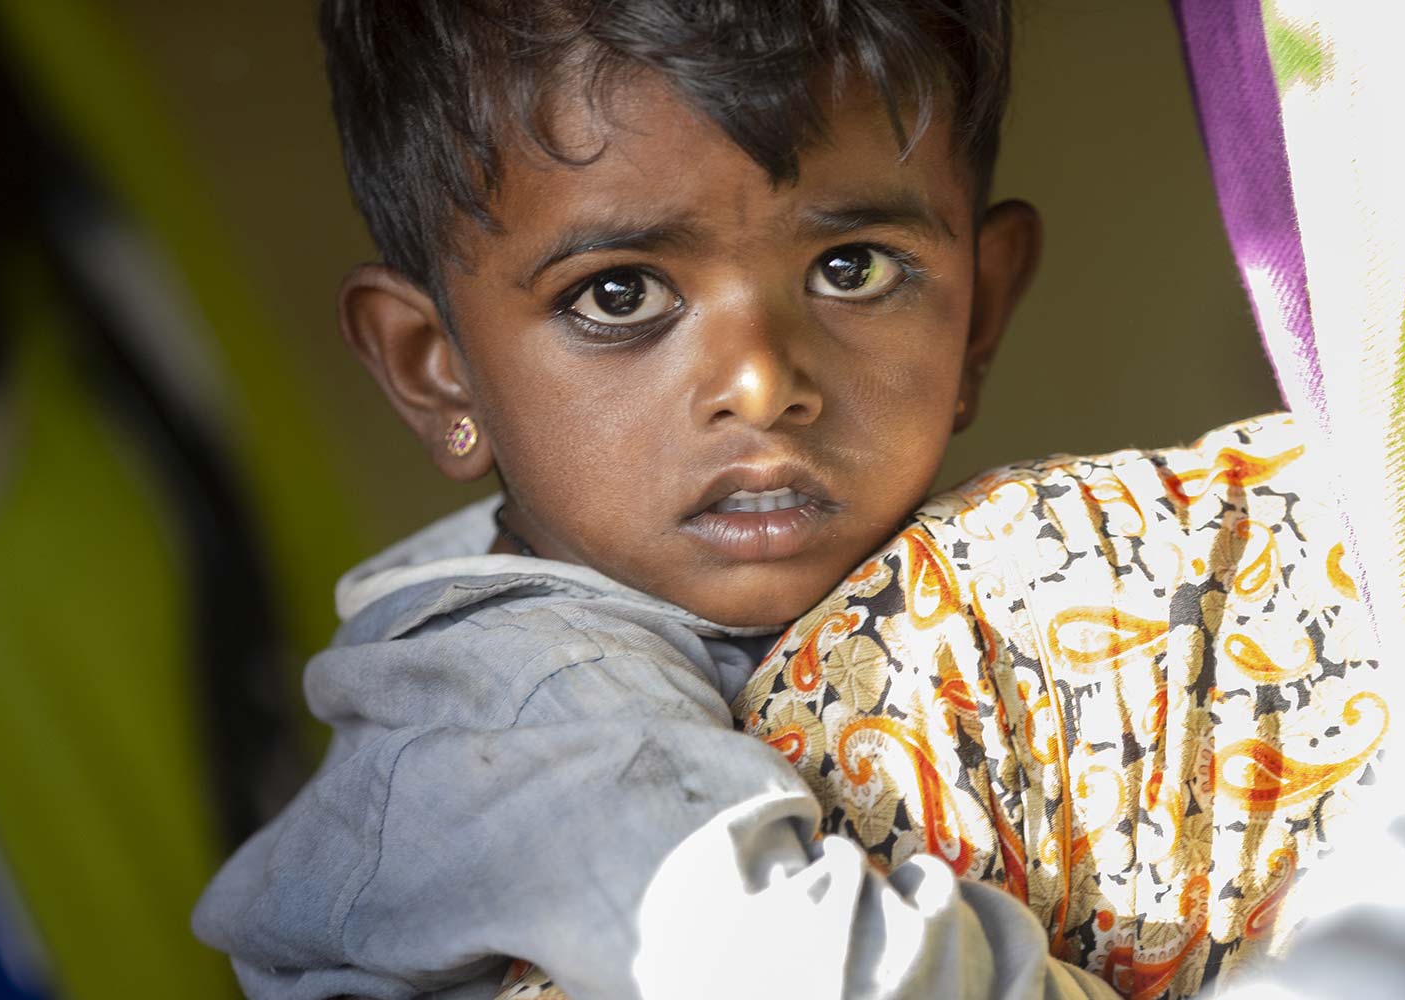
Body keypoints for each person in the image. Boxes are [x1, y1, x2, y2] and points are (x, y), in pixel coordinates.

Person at [192, 1, 1134, 997]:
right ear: (437, 372)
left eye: (848, 268)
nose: (760, 383)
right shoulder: (530, 700)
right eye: (618, 294)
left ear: (978, 311)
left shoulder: (981, 606)